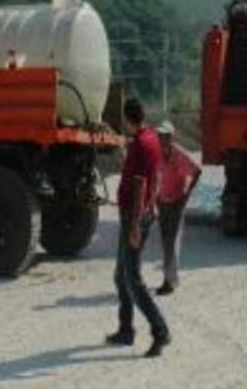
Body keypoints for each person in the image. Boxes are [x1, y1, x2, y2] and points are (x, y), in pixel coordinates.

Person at [106, 97, 171, 358]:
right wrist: (152, 205)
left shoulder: (141, 144)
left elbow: (141, 183)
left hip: (133, 216)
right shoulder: (151, 139)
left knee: (132, 278)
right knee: (121, 276)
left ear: (127, 119)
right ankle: (125, 329)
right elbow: (155, 176)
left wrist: (135, 223)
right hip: (140, 213)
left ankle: (160, 330)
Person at [155, 120, 201, 296]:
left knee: (171, 242)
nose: (161, 139)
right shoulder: (157, 153)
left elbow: (197, 171)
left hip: (176, 201)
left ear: (171, 137)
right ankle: (171, 278)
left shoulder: (179, 154)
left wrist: (186, 195)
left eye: (165, 136)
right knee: (165, 240)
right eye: (160, 136)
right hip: (162, 200)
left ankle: (169, 281)